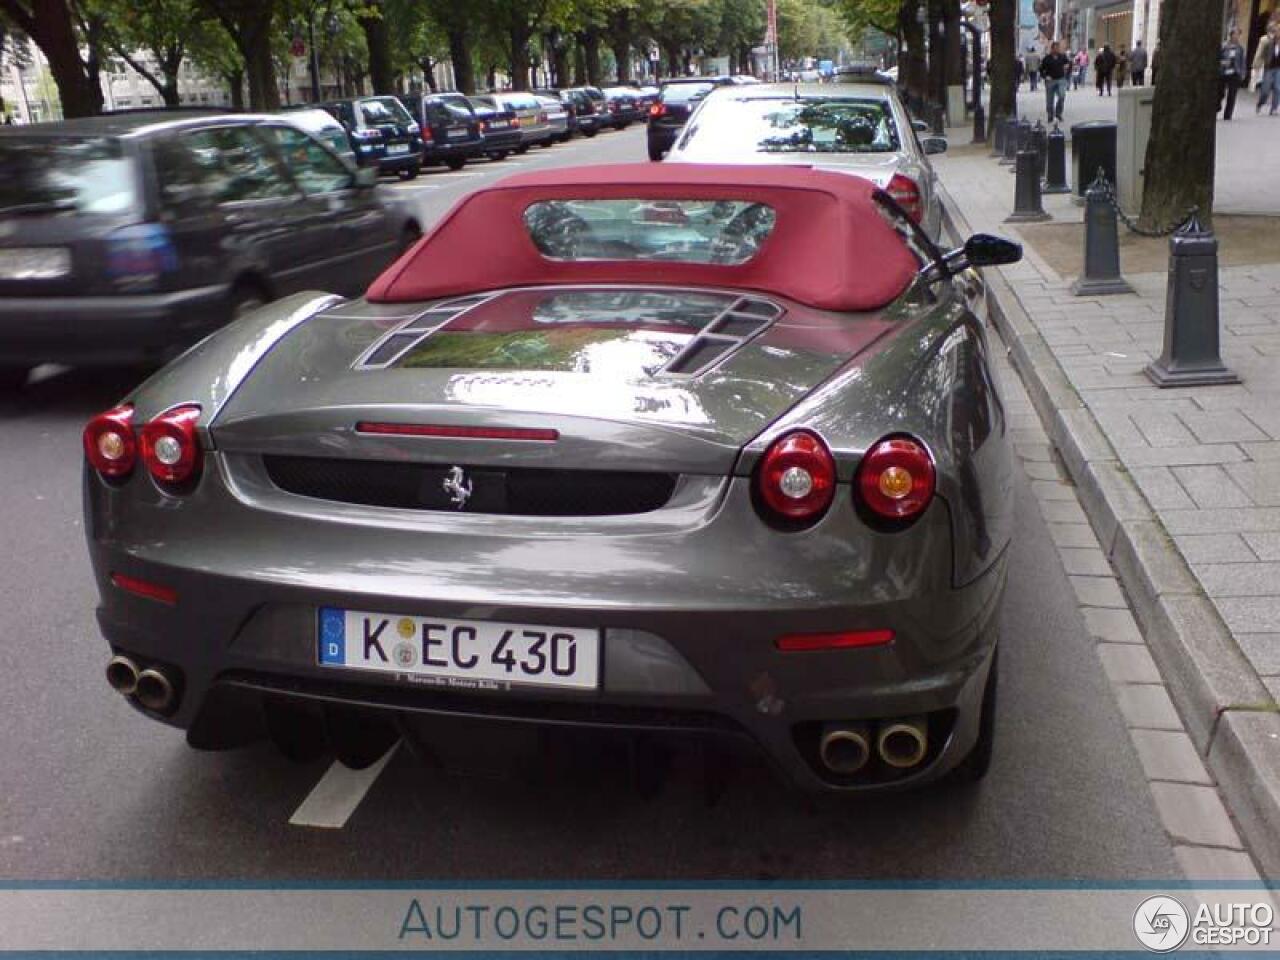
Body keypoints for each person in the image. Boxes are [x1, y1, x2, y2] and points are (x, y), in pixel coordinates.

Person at [1040, 40, 1072, 121]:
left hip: (1061, 79)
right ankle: (1050, 115)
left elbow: (1069, 64)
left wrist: (1067, 68)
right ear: (1052, 49)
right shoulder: (1047, 58)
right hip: (1050, 81)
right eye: (1055, 48)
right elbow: (1041, 69)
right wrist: (1045, 76)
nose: (1057, 50)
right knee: (1049, 100)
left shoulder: (1062, 56)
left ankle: (1058, 113)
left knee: (1062, 96)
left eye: (1058, 48)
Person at [1220, 28, 1247, 120]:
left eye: (1238, 35)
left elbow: (1242, 61)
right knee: (1220, 93)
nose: (1236, 37)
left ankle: (1227, 115)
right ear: (1230, 35)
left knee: (1232, 94)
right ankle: (1217, 105)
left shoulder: (1240, 48)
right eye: (1235, 34)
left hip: (1235, 73)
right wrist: (1223, 62)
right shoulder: (1224, 46)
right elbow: (1217, 58)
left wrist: (1243, 73)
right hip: (1223, 73)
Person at [1257, 23, 1280, 115]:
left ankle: (1274, 108)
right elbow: (1262, 54)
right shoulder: (1269, 43)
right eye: (1277, 31)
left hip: (1279, 69)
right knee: (1265, 90)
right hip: (1269, 68)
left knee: (1278, 88)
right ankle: (1260, 104)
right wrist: (1261, 63)